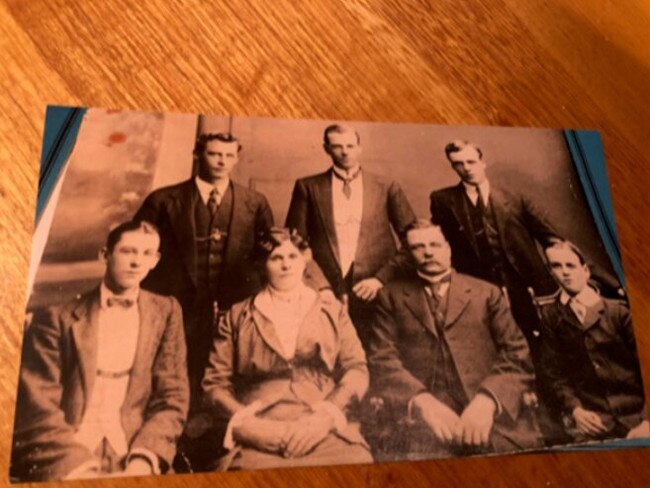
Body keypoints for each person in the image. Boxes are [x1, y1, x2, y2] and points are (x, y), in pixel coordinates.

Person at [134, 132, 327, 415]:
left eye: (228, 155)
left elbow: (268, 255)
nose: (221, 161)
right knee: (176, 363)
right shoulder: (164, 200)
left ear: (236, 158)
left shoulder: (254, 202)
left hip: (233, 302)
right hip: (178, 300)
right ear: (198, 154)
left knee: (226, 369)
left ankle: (221, 422)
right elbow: (138, 247)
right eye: (214, 154)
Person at [11, 221, 189, 481]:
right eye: (128, 251)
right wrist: (77, 466)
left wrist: (142, 460)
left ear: (155, 260)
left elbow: (172, 398)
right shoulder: (56, 317)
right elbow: (37, 405)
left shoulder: (166, 312)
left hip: (134, 447)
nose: (137, 262)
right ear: (104, 255)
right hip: (70, 448)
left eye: (146, 254)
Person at [368, 220, 541, 460]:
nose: (428, 252)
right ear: (408, 253)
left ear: (448, 248)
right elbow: (381, 360)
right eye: (418, 247)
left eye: (434, 244)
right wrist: (422, 402)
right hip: (423, 420)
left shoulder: (486, 292)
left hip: (488, 414)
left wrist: (487, 401)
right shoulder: (391, 296)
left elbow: (517, 353)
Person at [202, 228, 372, 471]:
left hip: (321, 421)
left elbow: (357, 369)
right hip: (261, 424)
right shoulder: (237, 316)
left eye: (293, 257)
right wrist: (249, 426)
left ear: (306, 259)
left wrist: (327, 415)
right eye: (276, 258)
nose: (286, 265)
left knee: (355, 465)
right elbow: (214, 385)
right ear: (263, 265)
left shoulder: (332, 310)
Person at [285, 124, 415, 346]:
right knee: (330, 347)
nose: (345, 152)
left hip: (377, 286)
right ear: (326, 149)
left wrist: (380, 278)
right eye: (337, 146)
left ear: (360, 148)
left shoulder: (386, 186)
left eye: (350, 146)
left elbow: (413, 241)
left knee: (377, 347)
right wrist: (320, 284)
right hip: (326, 288)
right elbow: (294, 244)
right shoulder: (308, 186)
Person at [429, 140, 561, 350]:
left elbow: (552, 239)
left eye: (471, 161)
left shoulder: (515, 197)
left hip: (525, 285)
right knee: (496, 344)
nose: (467, 168)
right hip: (480, 287)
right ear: (452, 167)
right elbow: (436, 242)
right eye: (459, 164)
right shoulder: (443, 200)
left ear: (483, 162)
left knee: (539, 343)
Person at [538, 241, 647, 442]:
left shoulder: (617, 312)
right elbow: (555, 375)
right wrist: (576, 410)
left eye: (570, 265)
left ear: (585, 271)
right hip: (596, 422)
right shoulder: (552, 319)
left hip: (638, 415)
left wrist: (646, 421)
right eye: (556, 266)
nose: (564, 273)